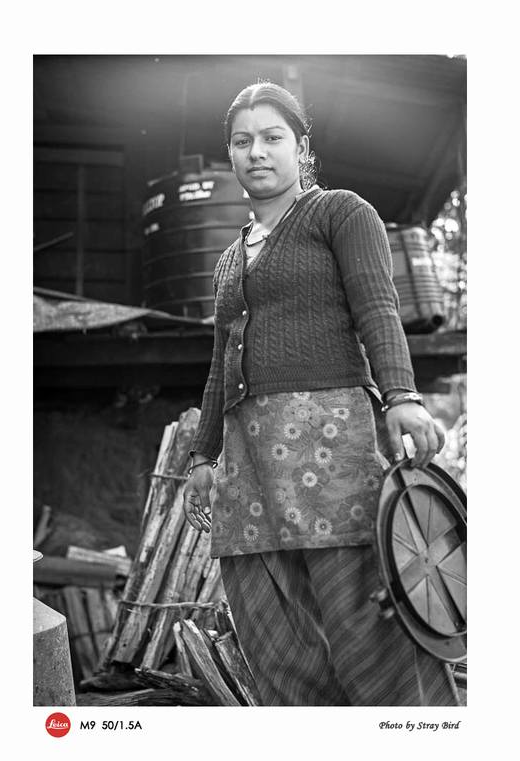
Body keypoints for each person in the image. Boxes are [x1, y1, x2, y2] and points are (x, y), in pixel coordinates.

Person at [183, 81, 459, 706]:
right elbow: (221, 364)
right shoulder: (229, 260)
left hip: (328, 450)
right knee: (273, 630)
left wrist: (402, 395)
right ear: (231, 154)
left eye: (272, 137)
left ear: (302, 148)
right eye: (242, 141)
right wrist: (202, 456)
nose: (257, 151)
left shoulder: (340, 213)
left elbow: (378, 307)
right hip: (249, 466)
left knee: (366, 619)